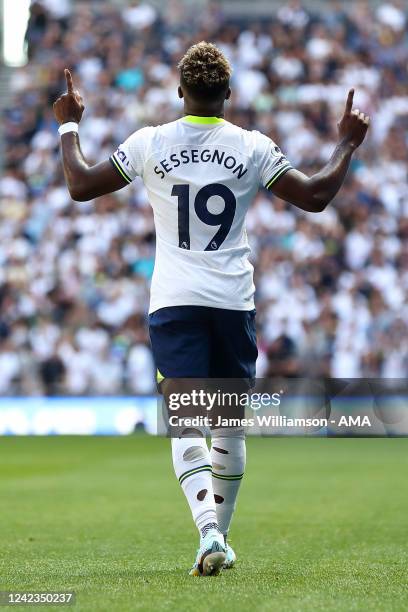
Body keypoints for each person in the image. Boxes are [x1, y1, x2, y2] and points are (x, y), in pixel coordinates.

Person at [53, 41, 369, 576]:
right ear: (229, 93)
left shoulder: (151, 143)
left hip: (176, 301)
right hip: (231, 302)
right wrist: (345, 144)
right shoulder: (250, 146)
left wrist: (68, 125)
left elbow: (80, 184)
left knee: (186, 423)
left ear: (181, 92)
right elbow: (316, 195)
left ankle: (208, 535)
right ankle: (217, 534)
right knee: (227, 428)